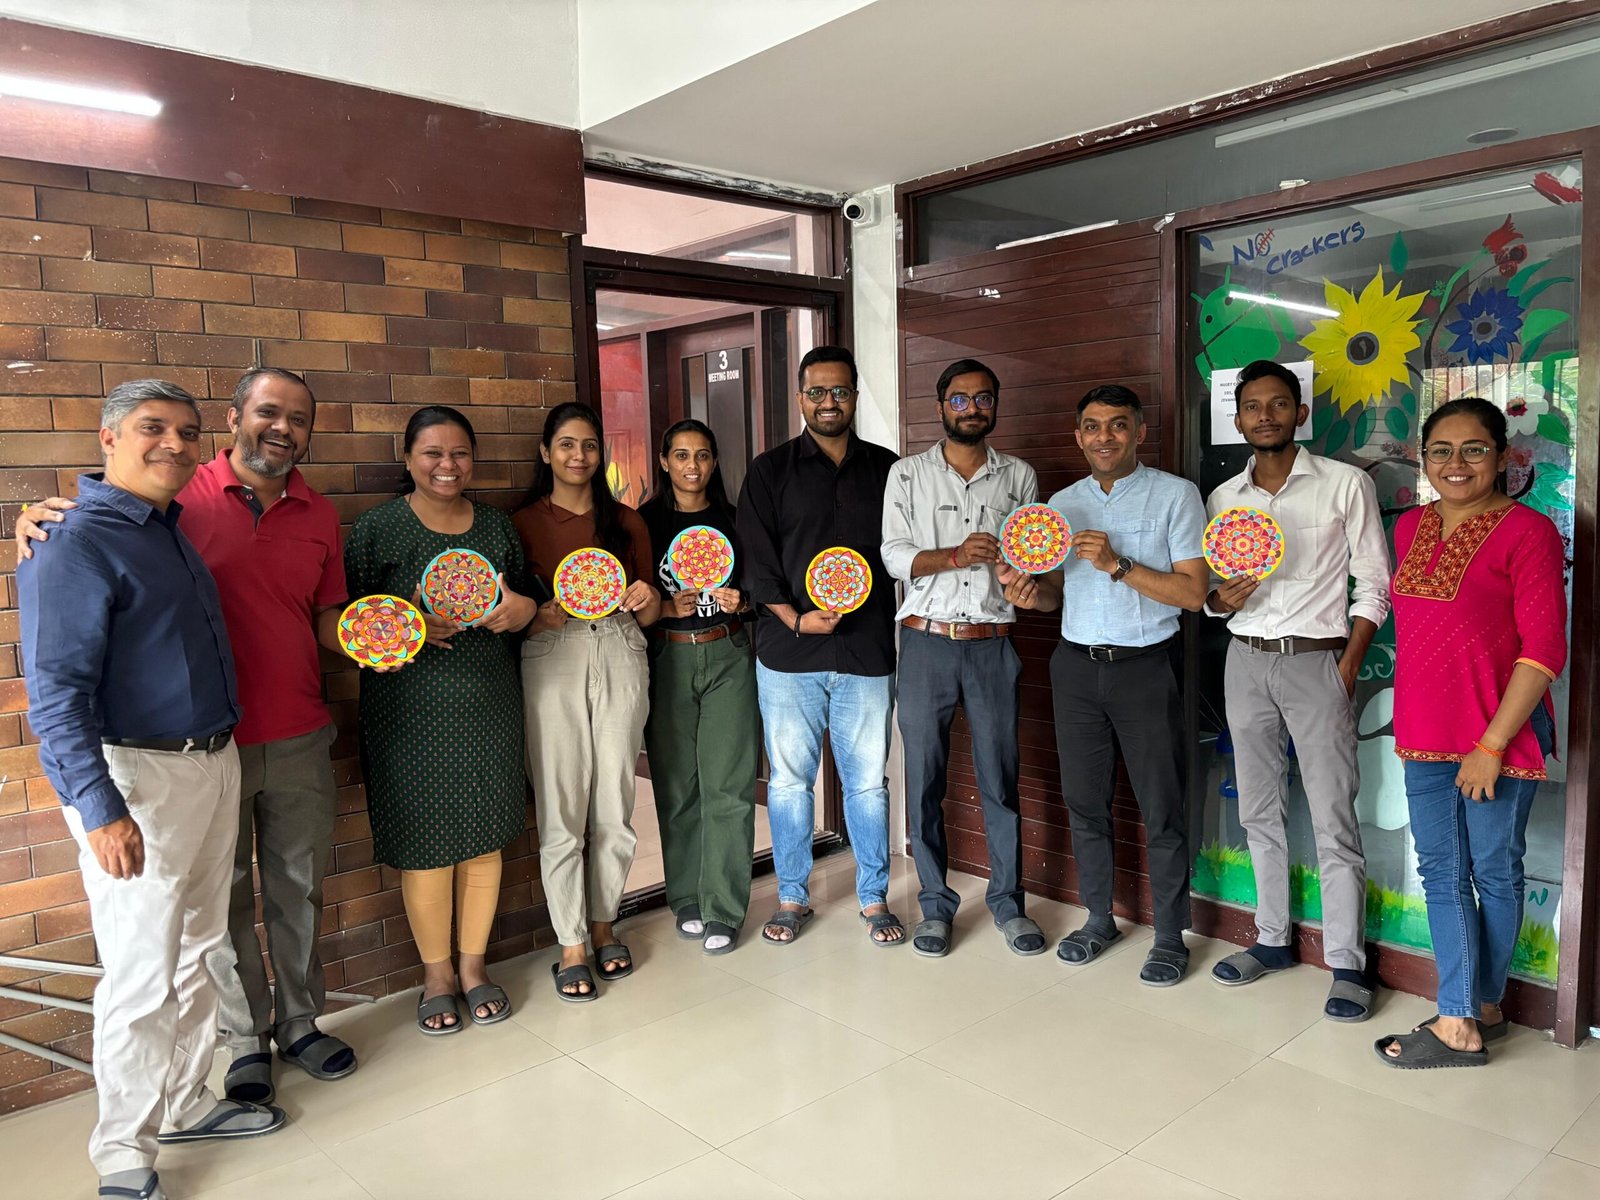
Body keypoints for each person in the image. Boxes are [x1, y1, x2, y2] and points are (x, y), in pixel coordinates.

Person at [16, 368, 363, 1102]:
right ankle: (244, 1041)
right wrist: (35, 517)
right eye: (268, 411)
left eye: (299, 418)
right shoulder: (176, 496)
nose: (283, 427)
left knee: (298, 889)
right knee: (221, 908)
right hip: (202, 748)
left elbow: (326, 619)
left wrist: (383, 640)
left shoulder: (319, 514)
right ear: (235, 418)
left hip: (298, 732)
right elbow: (93, 536)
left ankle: (301, 1023)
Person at [18, 380, 283, 1200]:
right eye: (151, 428)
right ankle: (123, 1152)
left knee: (201, 947)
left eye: (187, 432)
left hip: (210, 761)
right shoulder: (71, 542)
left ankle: (182, 1102)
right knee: (141, 968)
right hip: (136, 777)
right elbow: (55, 695)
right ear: (108, 438)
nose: (174, 443)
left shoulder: (168, 529)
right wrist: (100, 810)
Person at [1376, 397, 1566, 1068]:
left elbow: (1544, 649)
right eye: (1441, 451)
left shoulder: (1528, 532)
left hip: (1498, 736)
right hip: (1424, 733)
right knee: (1442, 872)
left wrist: (1490, 746)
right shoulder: (1410, 527)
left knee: (1494, 872)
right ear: (1423, 459)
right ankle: (1470, 1011)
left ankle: (1470, 1012)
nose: (1456, 464)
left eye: (1474, 449)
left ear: (1503, 455)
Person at [1203, 360, 1390, 1022]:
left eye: (1278, 404)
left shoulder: (1344, 484)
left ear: (1299, 413)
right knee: (1258, 810)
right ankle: (1272, 939)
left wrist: (1348, 663)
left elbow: (1375, 582)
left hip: (1318, 662)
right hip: (1246, 660)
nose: (1266, 416)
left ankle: (1347, 962)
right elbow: (1212, 592)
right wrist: (1219, 601)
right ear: (1238, 419)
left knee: (1334, 815)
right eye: (1253, 407)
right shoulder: (1224, 499)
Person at [344, 406, 537, 1035]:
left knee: (484, 838)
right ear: (407, 459)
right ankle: (437, 977)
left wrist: (521, 610)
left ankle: (474, 967)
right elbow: (350, 619)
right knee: (425, 845)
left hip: (489, 704)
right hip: (407, 711)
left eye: (459, 453)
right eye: (432, 453)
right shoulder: (378, 530)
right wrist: (405, 627)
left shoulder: (498, 527)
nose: (447, 465)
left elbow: (528, 600)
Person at [1013, 384, 1207, 986]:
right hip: (1074, 668)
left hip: (1145, 668)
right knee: (1084, 800)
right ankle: (1099, 919)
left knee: (1162, 805)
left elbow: (1193, 593)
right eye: (1093, 426)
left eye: (1118, 425)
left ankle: (1170, 935)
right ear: (1078, 437)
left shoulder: (1176, 495)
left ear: (1139, 432)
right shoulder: (1060, 504)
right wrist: (1027, 594)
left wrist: (1118, 564)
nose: (1105, 437)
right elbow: (1053, 595)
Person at [737, 345, 904, 947]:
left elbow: (904, 555)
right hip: (789, 655)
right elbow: (756, 561)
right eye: (817, 392)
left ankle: (874, 897)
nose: (828, 402)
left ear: (855, 396)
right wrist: (794, 619)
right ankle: (792, 896)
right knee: (789, 783)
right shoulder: (769, 471)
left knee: (867, 784)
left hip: (865, 653)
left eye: (840, 391)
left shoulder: (889, 470)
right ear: (800, 398)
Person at [881, 357, 1045, 958]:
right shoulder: (907, 474)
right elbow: (894, 556)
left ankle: (1008, 904)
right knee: (924, 781)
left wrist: (1021, 572)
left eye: (982, 399)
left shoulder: (1018, 476)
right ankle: (934, 905)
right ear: (940, 407)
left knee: (1000, 780)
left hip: (992, 646)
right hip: (925, 644)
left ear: (995, 406)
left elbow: (1031, 554)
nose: (971, 408)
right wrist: (953, 556)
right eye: (959, 399)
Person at [514, 402, 660, 1000]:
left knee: (615, 804)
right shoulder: (520, 523)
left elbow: (651, 613)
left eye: (590, 445)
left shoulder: (626, 522)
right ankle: (570, 943)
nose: (579, 456)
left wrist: (645, 596)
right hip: (554, 653)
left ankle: (604, 926)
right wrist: (536, 617)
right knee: (561, 804)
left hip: (621, 647)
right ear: (546, 452)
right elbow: (507, 614)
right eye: (567, 444)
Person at [637, 419, 757, 954]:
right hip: (667, 656)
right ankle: (687, 897)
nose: (693, 466)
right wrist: (664, 607)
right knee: (676, 785)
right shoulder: (643, 523)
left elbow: (759, 586)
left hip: (727, 651)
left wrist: (742, 600)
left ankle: (724, 907)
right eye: (681, 455)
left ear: (714, 462)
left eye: (703, 455)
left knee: (729, 784)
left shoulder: (735, 518)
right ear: (664, 462)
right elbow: (628, 596)